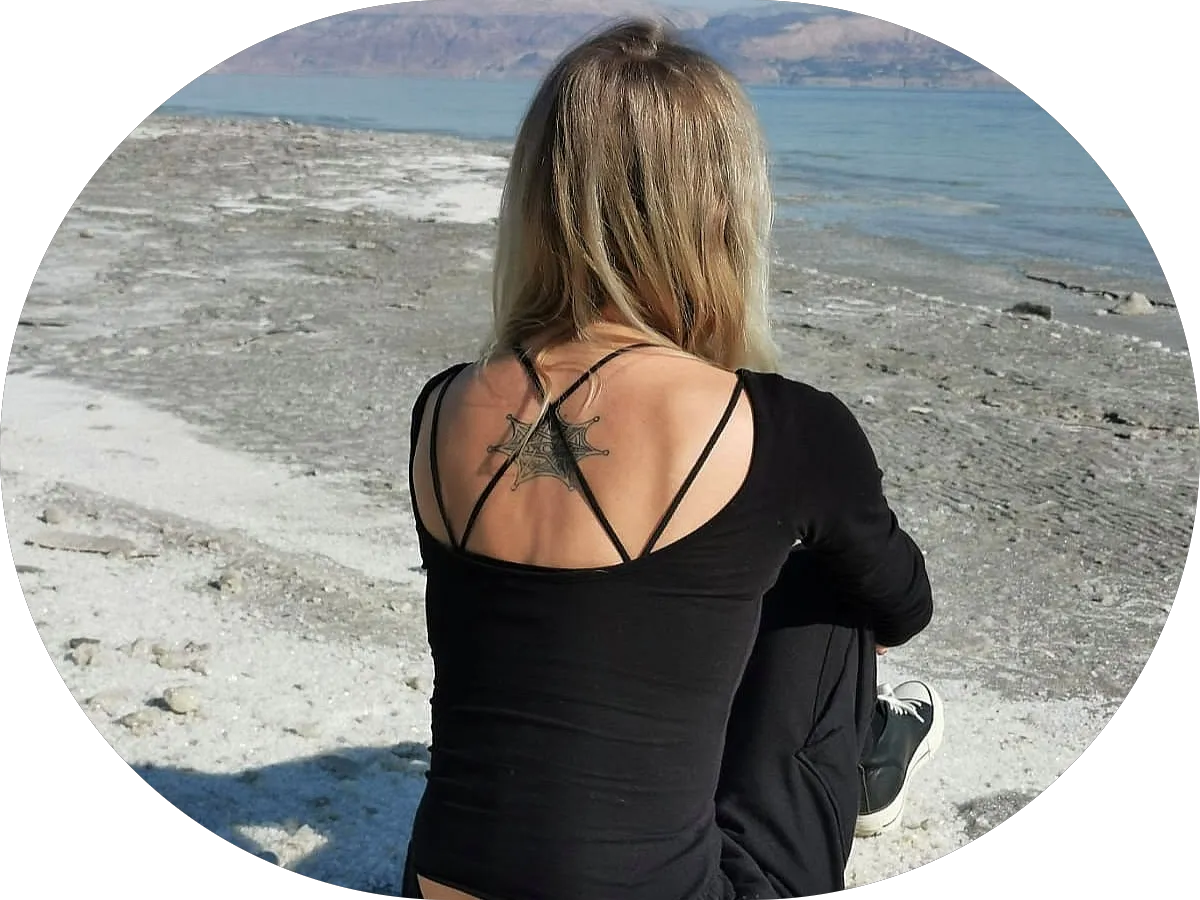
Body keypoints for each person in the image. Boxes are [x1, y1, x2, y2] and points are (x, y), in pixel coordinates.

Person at [402, 19, 939, 900]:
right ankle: (866, 767)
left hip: (436, 884)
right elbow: (903, 605)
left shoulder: (442, 406)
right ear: (722, 209)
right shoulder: (785, 429)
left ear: (538, 199)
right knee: (823, 582)